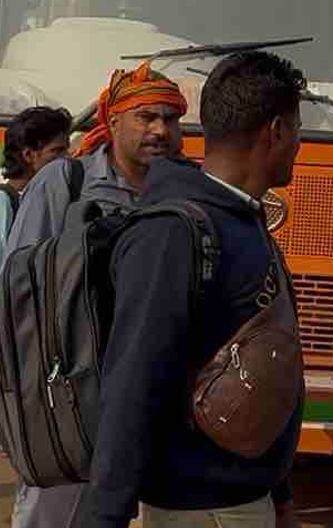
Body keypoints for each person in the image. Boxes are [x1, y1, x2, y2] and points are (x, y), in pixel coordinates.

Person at [81, 50, 305, 528]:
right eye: (298, 131)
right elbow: (134, 381)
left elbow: (261, 364)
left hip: (242, 501)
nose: (299, 145)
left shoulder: (244, 219)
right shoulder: (173, 233)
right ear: (277, 131)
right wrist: (103, 517)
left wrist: (280, 495)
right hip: (201, 512)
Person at [5, 63, 188, 528]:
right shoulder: (66, 183)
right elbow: (18, 290)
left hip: (159, 399)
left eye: (170, 118)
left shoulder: (187, 190)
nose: (160, 130)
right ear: (114, 120)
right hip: (68, 401)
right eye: (146, 117)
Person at [0, 105, 71, 243]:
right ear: (28, 155)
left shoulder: (47, 197)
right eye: (57, 151)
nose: (67, 158)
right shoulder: (4, 203)